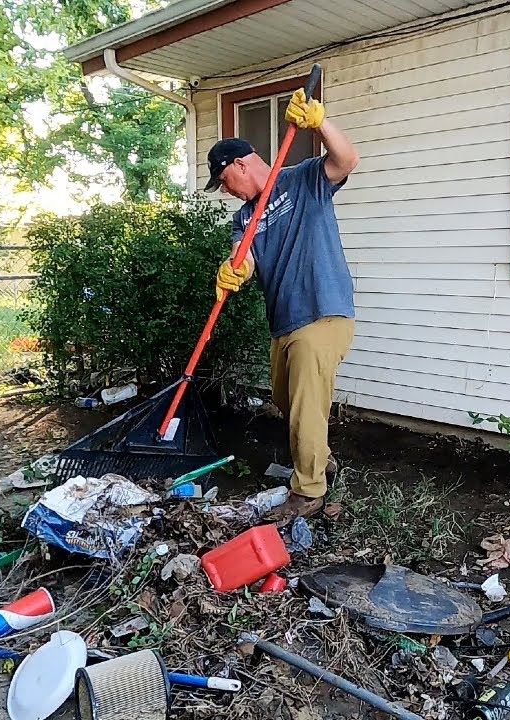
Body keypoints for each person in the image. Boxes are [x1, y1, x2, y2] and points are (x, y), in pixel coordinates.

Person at [204, 85, 359, 523]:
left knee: (307, 406)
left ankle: (309, 490)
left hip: (323, 310)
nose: (225, 191)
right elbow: (245, 256)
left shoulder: (302, 179)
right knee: (286, 398)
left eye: (224, 181)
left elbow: (347, 160)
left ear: (239, 165)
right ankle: (320, 459)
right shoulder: (243, 218)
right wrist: (233, 269)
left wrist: (320, 123)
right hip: (284, 322)